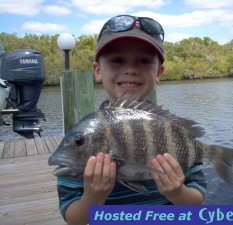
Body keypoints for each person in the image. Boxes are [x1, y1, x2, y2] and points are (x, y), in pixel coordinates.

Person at [56, 15, 207, 225]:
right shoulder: (83, 136)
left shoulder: (172, 132)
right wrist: (93, 197)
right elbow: (74, 219)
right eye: (118, 60)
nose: (131, 69)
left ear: (159, 72)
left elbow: (195, 202)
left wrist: (178, 192)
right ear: (97, 70)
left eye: (144, 61)